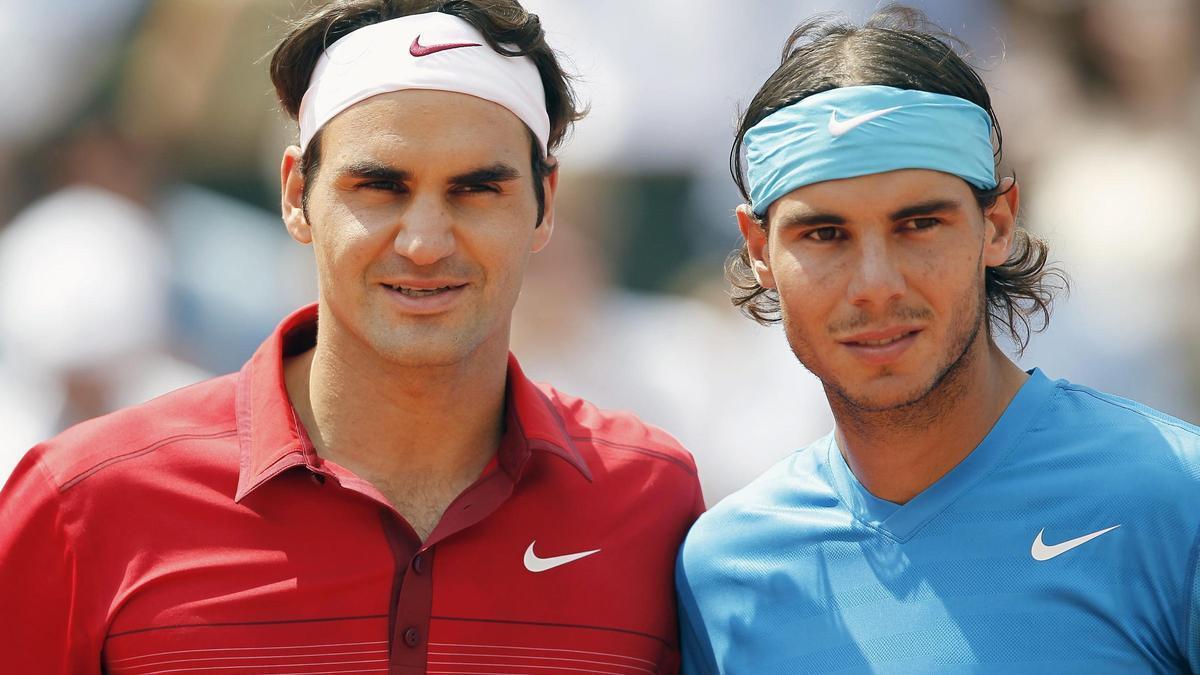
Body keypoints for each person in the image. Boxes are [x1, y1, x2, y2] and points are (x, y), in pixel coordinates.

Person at [0, 1, 704, 672]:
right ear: (295, 196)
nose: (425, 243)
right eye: (379, 187)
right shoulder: (81, 501)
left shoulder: (652, 501)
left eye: (476, 190)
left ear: (545, 202)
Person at [676, 6, 1200, 673]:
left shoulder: (1176, 500)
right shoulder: (724, 569)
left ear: (997, 225)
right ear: (758, 250)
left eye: (919, 224)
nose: (875, 285)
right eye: (825, 234)